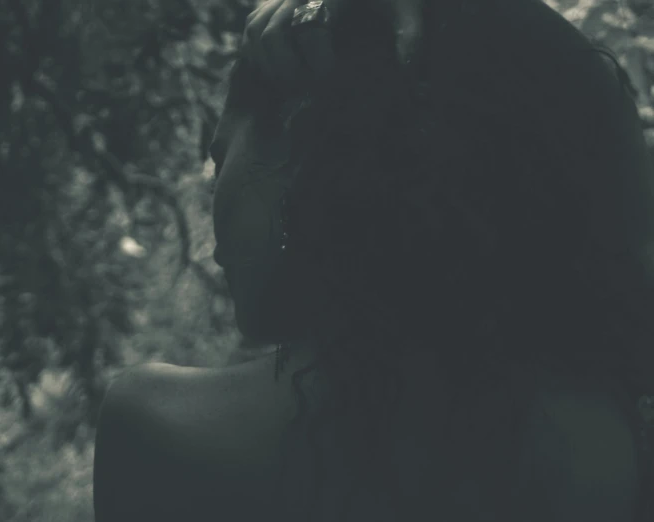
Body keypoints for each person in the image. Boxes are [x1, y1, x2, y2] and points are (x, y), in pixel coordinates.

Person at [93, 0, 654, 520]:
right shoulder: (608, 444)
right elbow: (598, 143)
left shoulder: (163, 429)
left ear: (296, 149)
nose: (211, 200)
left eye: (219, 160)